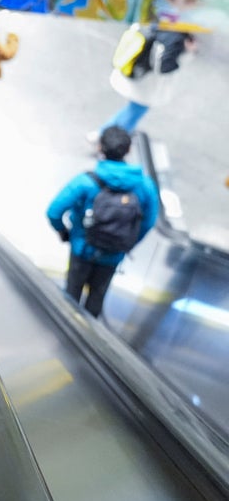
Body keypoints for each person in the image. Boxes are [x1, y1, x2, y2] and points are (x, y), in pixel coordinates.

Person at [46, 126, 159, 318]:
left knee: (72, 293)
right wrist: (127, 242)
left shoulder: (85, 182)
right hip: (113, 255)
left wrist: (64, 232)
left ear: (100, 148)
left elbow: (53, 212)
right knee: (97, 297)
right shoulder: (145, 185)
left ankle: (66, 329)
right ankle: (91, 336)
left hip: (82, 249)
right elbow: (149, 221)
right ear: (129, 150)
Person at [89, 23, 195, 141]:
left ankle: (111, 136)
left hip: (139, 76)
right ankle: (103, 136)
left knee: (134, 111)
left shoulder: (159, 23)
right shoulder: (175, 38)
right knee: (135, 112)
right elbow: (164, 67)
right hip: (147, 85)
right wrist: (188, 53)